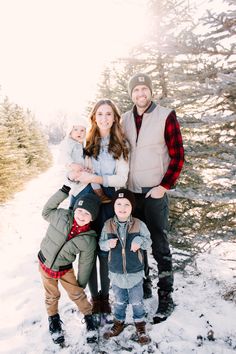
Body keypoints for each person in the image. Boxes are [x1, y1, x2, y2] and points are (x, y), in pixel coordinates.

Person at [121, 73, 184, 323]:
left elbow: (178, 155)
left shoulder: (165, 116)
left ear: (150, 92)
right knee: (136, 243)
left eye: (144, 89)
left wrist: (164, 186)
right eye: (136, 90)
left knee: (159, 244)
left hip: (154, 191)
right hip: (131, 194)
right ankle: (144, 285)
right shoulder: (124, 119)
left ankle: (166, 296)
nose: (140, 94)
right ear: (131, 94)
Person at [71, 99, 129, 320]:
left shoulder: (121, 144)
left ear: (114, 117)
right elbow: (76, 170)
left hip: (110, 200)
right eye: (100, 114)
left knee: (105, 250)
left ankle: (105, 297)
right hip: (88, 200)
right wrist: (82, 179)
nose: (104, 118)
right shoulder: (86, 142)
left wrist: (96, 179)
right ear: (94, 117)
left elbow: (121, 177)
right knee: (89, 250)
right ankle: (95, 298)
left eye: (108, 114)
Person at [38, 185, 101, 345]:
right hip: (45, 263)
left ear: (92, 218)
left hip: (64, 269)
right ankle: (54, 321)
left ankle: (89, 319)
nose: (81, 215)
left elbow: (86, 262)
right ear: (75, 209)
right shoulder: (61, 216)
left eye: (87, 214)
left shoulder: (88, 239)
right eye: (80, 210)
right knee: (51, 296)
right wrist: (63, 191)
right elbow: (46, 211)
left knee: (77, 295)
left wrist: (81, 284)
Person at [100, 189, 152, 345]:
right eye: (119, 204)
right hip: (116, 273)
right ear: (114, 206)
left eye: (126, 204)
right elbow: (101, 245)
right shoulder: (108, 225)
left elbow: (149, 241)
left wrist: (139, 242)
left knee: (137, 301)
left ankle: (140, 325)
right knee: (120, 301)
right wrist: (107, 244)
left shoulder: (139, 224)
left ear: (132, 207)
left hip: (135, 272)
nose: (122, 207)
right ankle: (118, 322)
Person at [59, 118, 110, 208]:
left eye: (82, 130)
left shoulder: (80, 143)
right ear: (70, 131)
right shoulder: (68, 142)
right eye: (76, 130)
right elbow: (64, 155)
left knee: (91, 176)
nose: (79, 132)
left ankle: (99, 194)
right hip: (74, 169)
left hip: (82, 169)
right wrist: (72, 164)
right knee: (78, 187)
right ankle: (75, 206)